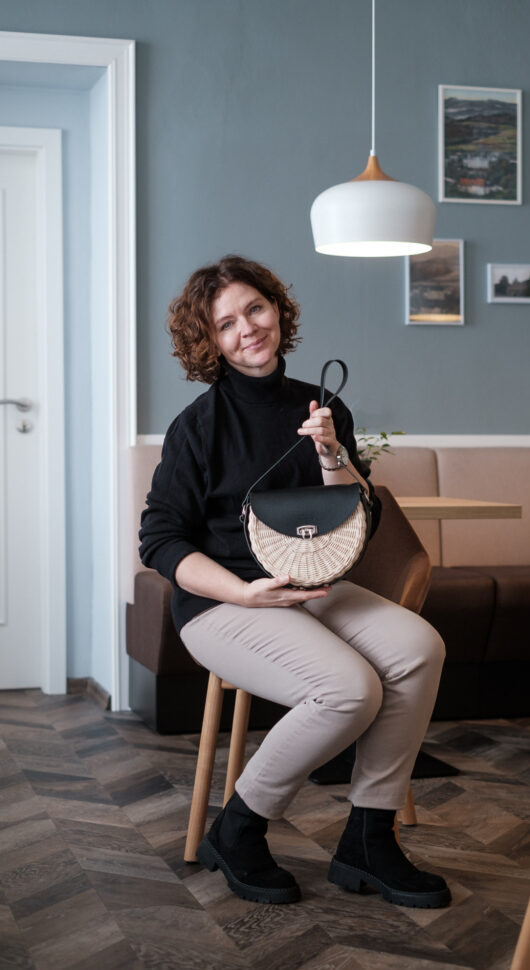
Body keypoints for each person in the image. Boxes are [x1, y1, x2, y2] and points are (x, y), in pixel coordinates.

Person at [139, 255, 449, 908]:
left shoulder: (324, 406)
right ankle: (239, 827)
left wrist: (330, 452)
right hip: (225, 603)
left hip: (315, 588)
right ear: (209, 342)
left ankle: (368, 839)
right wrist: (243, 593)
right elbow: (160, 541)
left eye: (255, 308)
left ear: (278, 309)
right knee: (349, 689)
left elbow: (360, 515)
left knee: (420, 646)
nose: (247, 328)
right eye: (226, 323)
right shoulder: (198, 426)